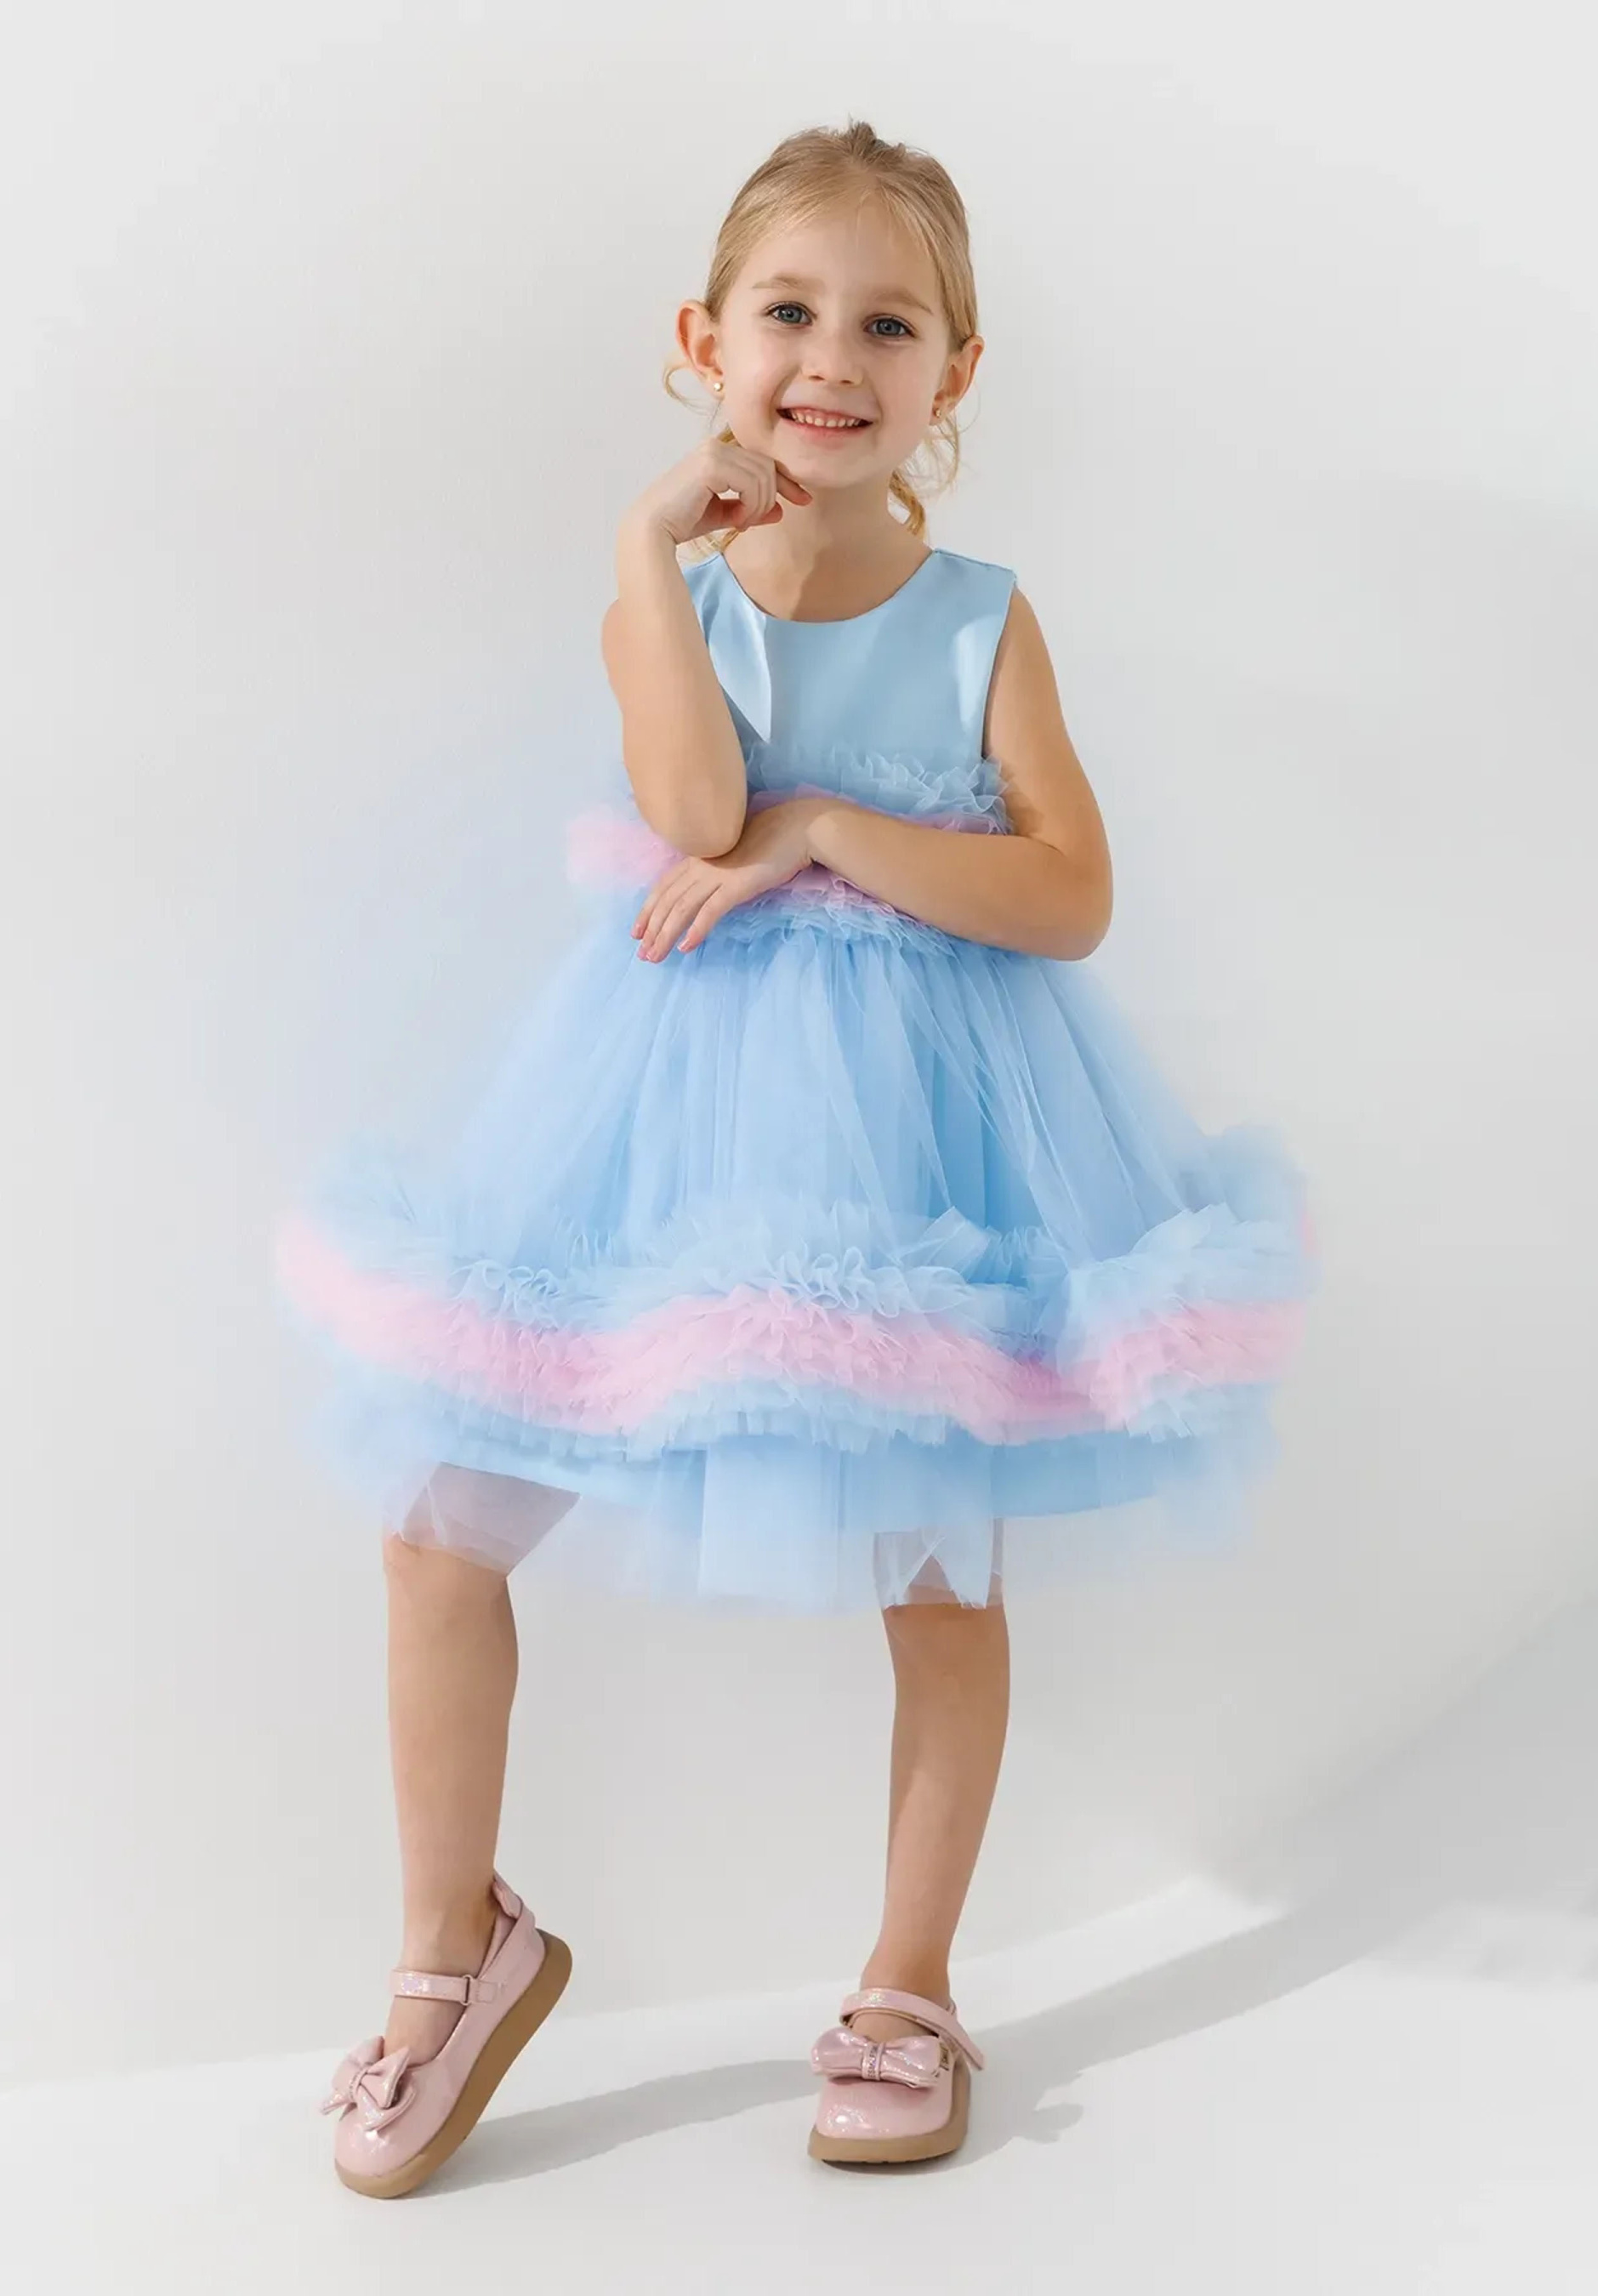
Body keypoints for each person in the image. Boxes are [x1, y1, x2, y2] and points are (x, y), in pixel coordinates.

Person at [281, 117, 1315, 2195]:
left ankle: (906, 1985)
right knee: (437, 1519)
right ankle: (451, 1953)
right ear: (702, 343)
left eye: (887, 325)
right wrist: (639, 554)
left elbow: (1067, 893)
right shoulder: (669, 603)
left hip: (926, 1142)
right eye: (786, 312)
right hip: (659, 1124)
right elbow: (687, 809)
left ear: (954, 373)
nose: (830, 359)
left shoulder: (978, 618)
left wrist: (830, 831)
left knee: (935, 1570)